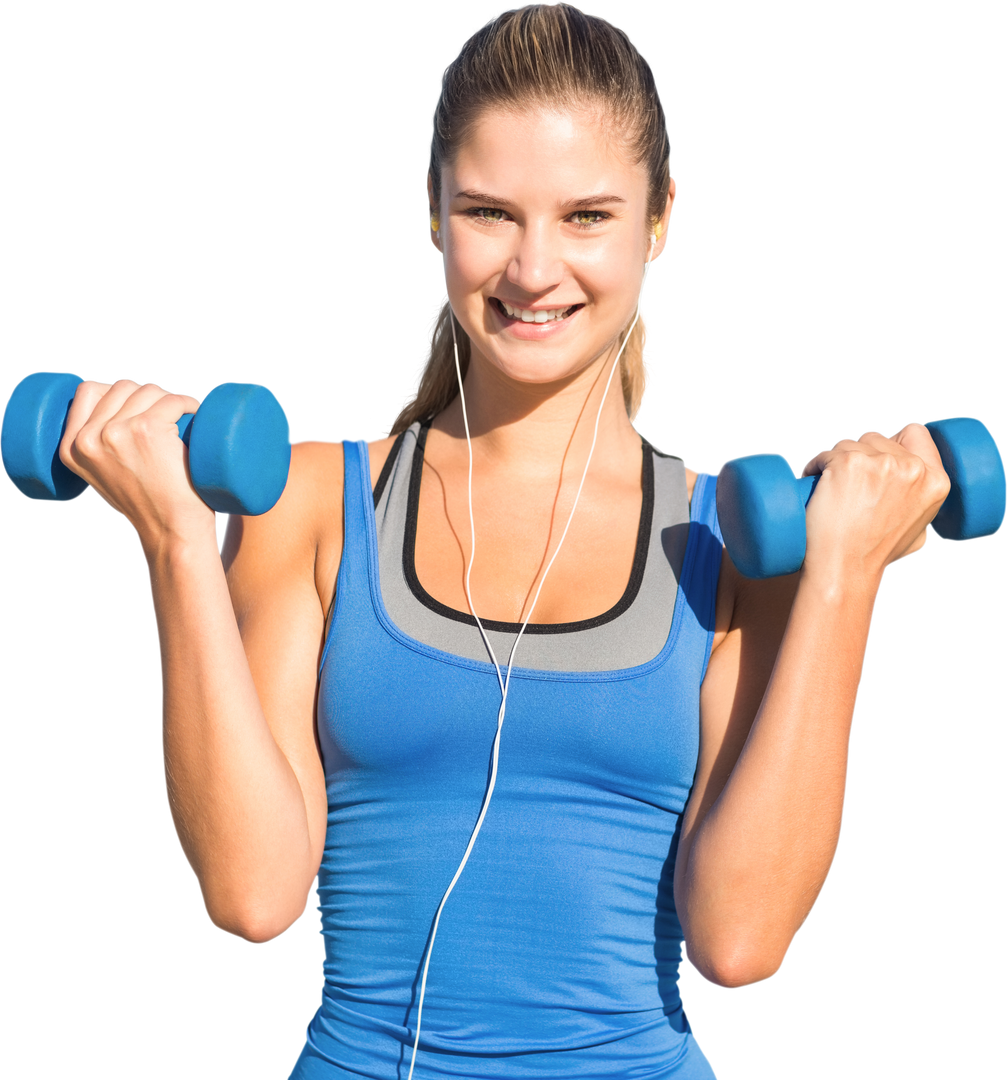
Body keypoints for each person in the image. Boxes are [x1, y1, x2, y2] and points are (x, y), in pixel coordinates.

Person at [53, 4, 953, 1077]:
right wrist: (175, 542)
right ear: (431, 212)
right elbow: (253, 897)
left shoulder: (733, 543)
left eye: (585, 216)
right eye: (488, 211)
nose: (532, 270)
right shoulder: (311, 502)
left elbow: (738, 942)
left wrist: (843, 577)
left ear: (659, 219)